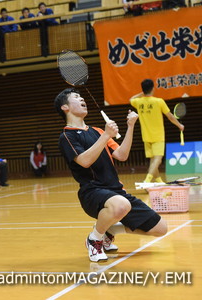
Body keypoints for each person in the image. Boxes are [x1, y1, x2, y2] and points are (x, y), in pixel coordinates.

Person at [55, 88, 167, 262]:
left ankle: (110, 230)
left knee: (160, 229)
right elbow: (84, 161)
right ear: (65, 107)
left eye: (82, 96)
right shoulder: (67, 136)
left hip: (116, 191)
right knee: (121, 205)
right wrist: (107, 135)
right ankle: (95, 239)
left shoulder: (98, 131)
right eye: (76, 97)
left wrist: (130, 127)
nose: (82, 98)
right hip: (92, 192)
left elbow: (121, 155)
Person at [130, 79, 184, 183]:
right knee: (158, 159)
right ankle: (147, 181)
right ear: (153, 89)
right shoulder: (158, 101)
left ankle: (159, 180)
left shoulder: (138, 102)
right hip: (158, 135)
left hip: (146, 136)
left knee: (152, 160)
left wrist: (142, 93)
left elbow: (131, 99)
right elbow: (170, 116)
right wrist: (179, 125)